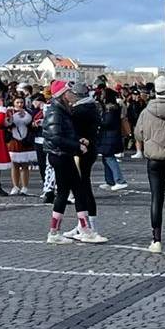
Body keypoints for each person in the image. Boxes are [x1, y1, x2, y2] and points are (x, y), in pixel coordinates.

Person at [41, 80, 107, 244]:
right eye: (69, 92)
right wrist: (76, 145)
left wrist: (78, 140)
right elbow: (56, 137)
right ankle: (77, 230)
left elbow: (64, 134)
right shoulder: (57, 111)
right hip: (61, 154)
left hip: (63, 153)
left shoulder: (62, 110)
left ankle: (65, 230)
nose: (72, 94)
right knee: (72, 190)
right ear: (63, 94)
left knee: (70, 191)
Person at [133, 74, 165, 253]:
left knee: (156, 198)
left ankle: (156, 240)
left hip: (154, 159)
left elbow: (138, 134)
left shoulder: (146, 112)